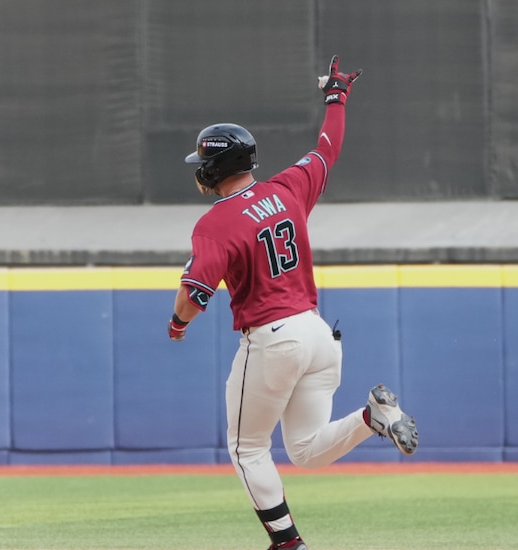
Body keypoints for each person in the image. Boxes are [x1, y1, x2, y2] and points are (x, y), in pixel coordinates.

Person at [166, 55, 419, 550]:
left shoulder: (216, 223)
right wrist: (336, 96)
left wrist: (177, 324)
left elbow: (195, 295)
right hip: (318, 336)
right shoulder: (287, 189)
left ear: (215, 167)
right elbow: (327, 149)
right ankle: (373, 417)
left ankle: (287, 543)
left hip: (274, 339)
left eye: (203, 163)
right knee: (303, 450)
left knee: (245, 448)